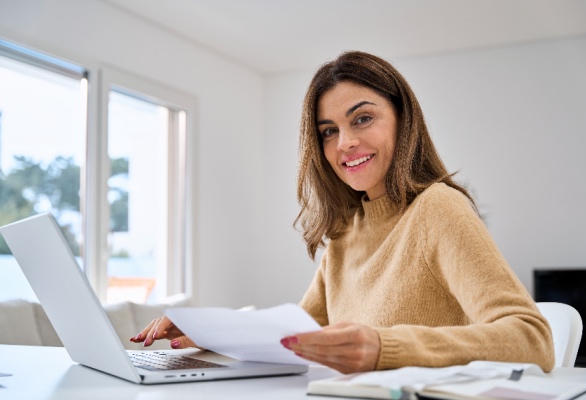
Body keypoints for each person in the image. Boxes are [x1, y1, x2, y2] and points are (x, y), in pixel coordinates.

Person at [132, 51, 555, 374]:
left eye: (363, 118)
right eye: (328, 131)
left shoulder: (439, 208)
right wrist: (211, 335)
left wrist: (384, 347)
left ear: (403, 121)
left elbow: (533, 340)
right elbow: (298, 337)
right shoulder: (345, 232)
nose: (344, 143)